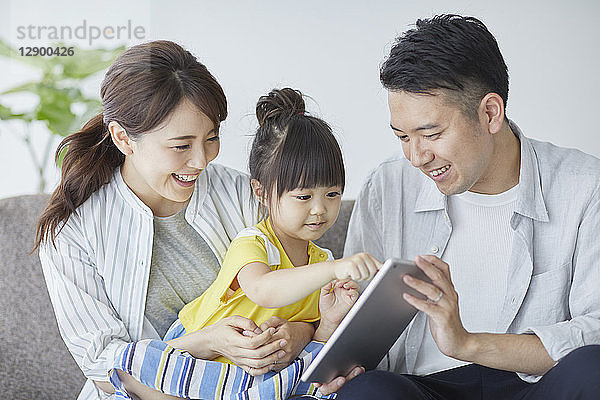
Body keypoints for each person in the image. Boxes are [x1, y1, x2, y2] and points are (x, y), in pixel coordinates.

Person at [318, 14, 600, 399]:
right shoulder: (388, 185)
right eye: (403, 136)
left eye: (431, 134)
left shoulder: (583, 186)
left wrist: (466, 343)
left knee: (593, 367)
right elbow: (357, 322)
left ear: (490, 113)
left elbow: (596, 328)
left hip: (533, 385)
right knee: (366, 391)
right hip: (425, 388)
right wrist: (332, 344)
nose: (416, 157)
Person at [35, 41, 329, 400]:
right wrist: (208, 341)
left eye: (212, 138)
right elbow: (103, 367)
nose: (200, 161)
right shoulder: (73, 232)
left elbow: (309, 293)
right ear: (123, 138)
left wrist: (292, 336)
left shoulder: (244, 194)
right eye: (180, 145)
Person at [107, 88, 382, 399]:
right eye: (303, 197)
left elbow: (311, 336)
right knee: (138, 360)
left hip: (258, 369)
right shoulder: (254, 242)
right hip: (201, 354)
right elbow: (264, 290)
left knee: (319, 382)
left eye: (332, 194)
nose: (319, 209)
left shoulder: (321, 262)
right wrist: (335, 268)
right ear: (261, 192)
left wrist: (331, 319)